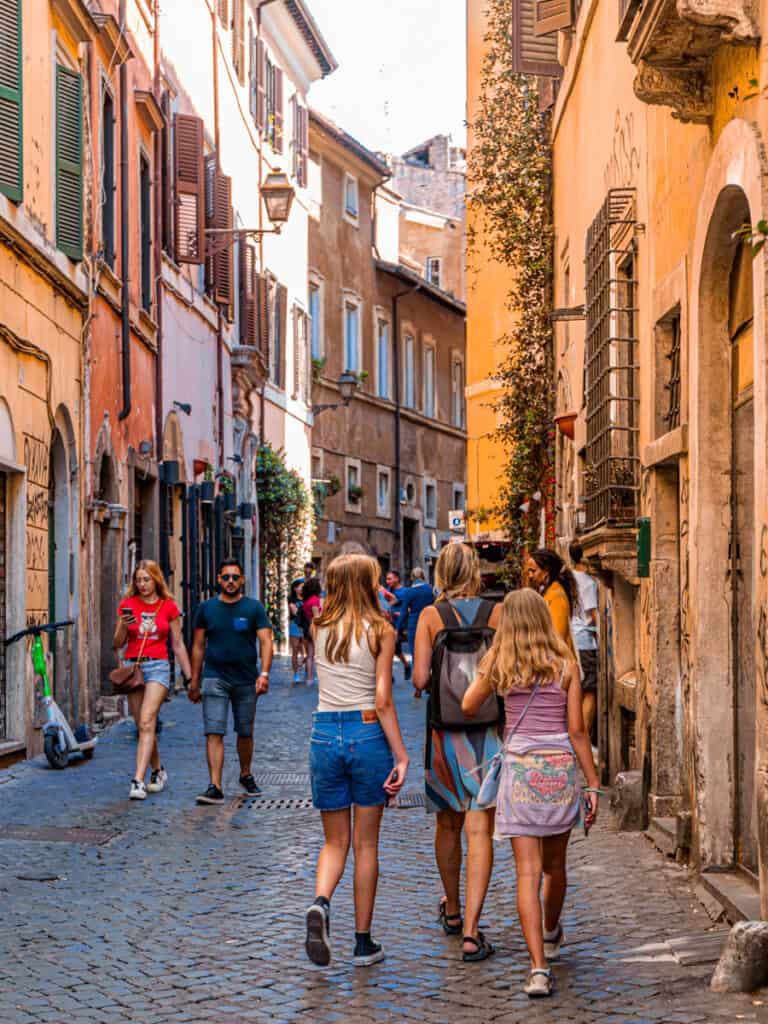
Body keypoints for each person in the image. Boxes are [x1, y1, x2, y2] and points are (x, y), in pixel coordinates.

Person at [462, 589, 600, 998]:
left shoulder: (500, 663)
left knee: (526, 872)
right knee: (554, 868)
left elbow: (469, 704)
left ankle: (538, 968)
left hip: (520, 771)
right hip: (558, 771)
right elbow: (577, 731)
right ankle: (553, 931)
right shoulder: (566, 666)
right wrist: (591, 783)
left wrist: (493, 683)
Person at [304, 553, 408, 968]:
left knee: (335, 842)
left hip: (324, 732)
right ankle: (362, 943)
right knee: (366, 845)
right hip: (366, 733)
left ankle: (321, 903)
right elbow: (383, 700)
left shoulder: (318, 627)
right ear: (370, 583)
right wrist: (400, 755)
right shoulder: (382, 630)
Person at [413, 543, 502, 962]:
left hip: (445, 735)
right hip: (487, 734)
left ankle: (451, 909)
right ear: (476, 571)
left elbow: (417, 677)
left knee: (448, 826)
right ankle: (471, 932)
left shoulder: (432, 616)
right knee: (480, 828)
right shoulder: (495, 614)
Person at [188, 559, 274, 804]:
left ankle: (245, 773)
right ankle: (215, 785)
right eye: (226, 577)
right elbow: (197, 645)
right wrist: (194, 681)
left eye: (235, 577)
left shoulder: (253, 608)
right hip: (214, 677)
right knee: (214, 731)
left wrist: (264, 674)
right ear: (218, 580)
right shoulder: (206, 609)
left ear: (242, 580)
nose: (230, 581)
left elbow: (266, 641)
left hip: (246, 679)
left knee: (245, 732)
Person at [114, 560, 192, 801]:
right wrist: (123, 626)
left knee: (148, 719)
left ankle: (137, 780)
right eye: (138, 580)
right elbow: (118, 643)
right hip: (133, 667)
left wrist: (189, 676)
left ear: (156, 579)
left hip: (159, 667)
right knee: (143, 726)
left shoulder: (168, 607)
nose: (142, 584)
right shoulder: (127, 605)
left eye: (146, 579)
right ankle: (158, 770)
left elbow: (177, 644)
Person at [569, 542, 599, 740]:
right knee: (589, 691)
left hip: (571, 639)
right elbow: (594, 614)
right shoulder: (588, 582)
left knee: (575, 692)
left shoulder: (568, 578)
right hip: (585, 641)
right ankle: (584, 738)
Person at [524, 548, 578, 655]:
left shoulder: (556, 595)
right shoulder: (549, 592)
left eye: (533, 571)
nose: (529, 575)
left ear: (546, 571)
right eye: (528, 571)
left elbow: (558, 637)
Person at [398, 566, 434, 656]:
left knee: (415, 655)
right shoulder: (431, 589)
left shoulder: (408, 592)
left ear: (411, 578)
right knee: (429, 654)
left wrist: (397, 628)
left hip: (414, 625)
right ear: (423, 577)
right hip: (430, 623)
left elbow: (403, 612)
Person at [385, 569, 411, 680]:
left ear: (397, 578)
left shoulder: (405, 592)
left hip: (399, 625)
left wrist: (400, 613)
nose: (387, 581)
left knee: (395, 649)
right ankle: (390, 674)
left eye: (389, 579)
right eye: (386, 579)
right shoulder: (387, 591)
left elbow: (410, 608)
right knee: (390, 648)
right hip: (387, 624)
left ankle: (406, 666)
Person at [301, 576, 323, 685]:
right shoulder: (315, 600)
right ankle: (316, 678)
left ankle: (309, 678)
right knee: (318, 654)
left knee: (309, 654)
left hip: (307, 629)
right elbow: (316, 617)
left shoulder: (307, 601)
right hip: (315, 629)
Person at [288, 578, 306, 685]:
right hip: (295, 625)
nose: (302, 589)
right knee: (295, 650)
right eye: (300, 587)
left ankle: (305, 669)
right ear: (295, 588)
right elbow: (294, 612)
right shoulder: (291, 598)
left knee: (309, 651)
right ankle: (296, 674)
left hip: (305, 626)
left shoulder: (306, 598)